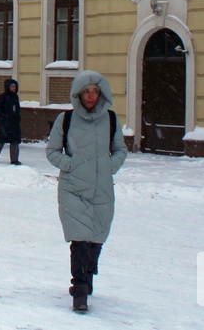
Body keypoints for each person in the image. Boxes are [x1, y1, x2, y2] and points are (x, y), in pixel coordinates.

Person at [45, 70, 126, 313]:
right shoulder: (66, 119)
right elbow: (52, 151)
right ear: (78, 94)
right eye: (86, 91)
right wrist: (71, 165)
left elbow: (120, 150)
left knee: (96, 239)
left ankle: (88, 274)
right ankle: (79, 290)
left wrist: (108, 167)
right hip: (73, 188)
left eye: (95, 91)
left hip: (102, 188)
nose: (91, 96)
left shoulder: (111, 119)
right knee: (80, 240)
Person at [0, 77, 23, 164]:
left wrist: (17, 118)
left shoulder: (15, 97)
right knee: (1, 141)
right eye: (11, 86)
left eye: (14, 86)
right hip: (4, 123)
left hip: (14, 123)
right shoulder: (2, 97)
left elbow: (16, 109)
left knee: (14, 141)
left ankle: (14, 159)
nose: (13, 88)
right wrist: (2, 118)